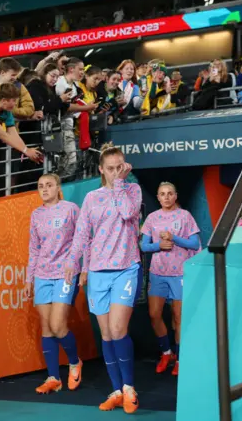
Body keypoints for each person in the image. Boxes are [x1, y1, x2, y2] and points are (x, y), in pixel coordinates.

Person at [65, 143, 141, 413]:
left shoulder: (132, 190)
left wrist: (121, 182)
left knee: (119, 329)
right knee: (107, 334)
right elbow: (82, 234)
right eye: (110, 169)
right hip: (98, 271)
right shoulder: (92, 198)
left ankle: (130, 388)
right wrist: (75, 263)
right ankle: (116, 390)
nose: (115, 172)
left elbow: (127, 213)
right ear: (101, 170)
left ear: (125, 166)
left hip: (126, 268)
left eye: (120, 167)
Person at [24, 173, 83, 394]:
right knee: (47, 327)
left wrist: (83, 268)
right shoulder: (36, 215)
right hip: (42, 274)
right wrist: (29, 278)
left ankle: (75, 362)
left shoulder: (70, 209)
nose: (44, 189)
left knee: (59, 325)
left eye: (49, 185)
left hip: (65, 273)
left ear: (58, 187)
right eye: (40, 186)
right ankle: (53, 378)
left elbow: (82, 239)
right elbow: (34, 249)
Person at [140, 182, 200, 377]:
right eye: (162, 194)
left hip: (180, 273)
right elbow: (143, 246)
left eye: (169, 194)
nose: (166, 197)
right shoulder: (152, 218)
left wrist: (175, 239)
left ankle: (181, 359)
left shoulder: (185, 216)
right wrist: (158, 245)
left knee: (178, 317)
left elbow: (195, 243)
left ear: (175, 196)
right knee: (153, 314)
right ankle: (167, 353)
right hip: (158, 273)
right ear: (158, 197)